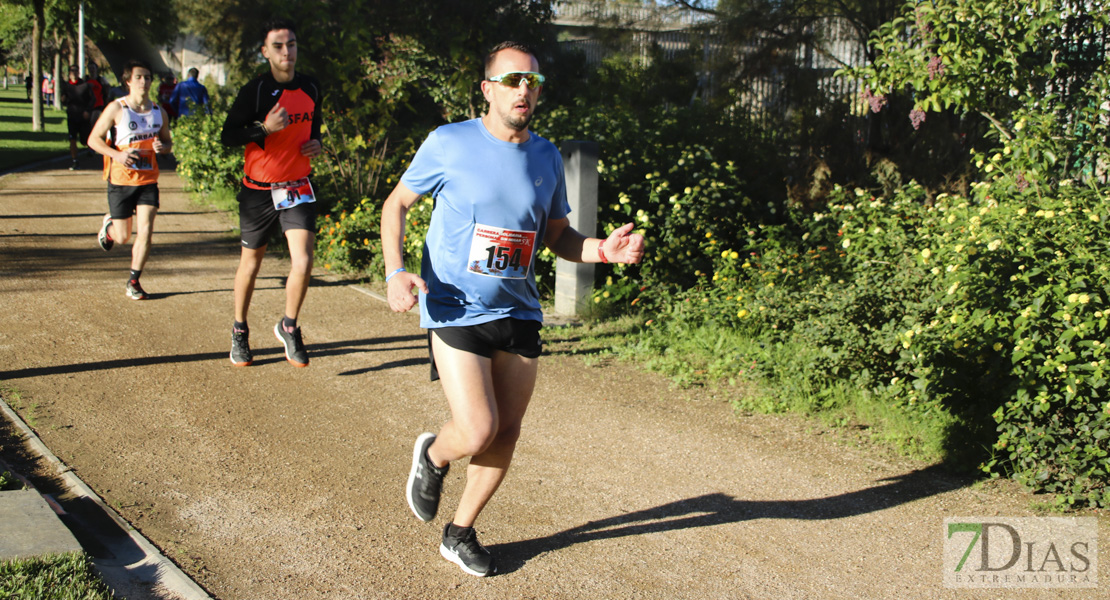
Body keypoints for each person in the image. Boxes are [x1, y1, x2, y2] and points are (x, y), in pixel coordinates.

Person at [381, 41, 645, 577]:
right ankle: (434, 454)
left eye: (534, 82)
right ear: (488, 89)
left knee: (506, 432)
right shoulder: (449, 142)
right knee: (477, 428)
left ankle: (460, 533)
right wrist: (394, 271)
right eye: (514, 79)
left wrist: (601, 250)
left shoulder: (546, 155)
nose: (525, 89)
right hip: (455, 307)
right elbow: (396, 205)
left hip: (519, 310)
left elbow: (557, 236)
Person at [220, 18, 323, 367]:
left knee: (304, 261)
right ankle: (239, 330)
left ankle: (289, 326)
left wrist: (316, 144)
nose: (286, 51)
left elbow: (314, 126)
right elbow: (228, 136)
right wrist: (264, 127)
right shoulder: (257, 91)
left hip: (296, 186)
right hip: (259, 192)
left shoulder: (311, 86)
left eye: (291, 44)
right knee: (251, 263)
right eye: (278, 46)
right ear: (265, 52)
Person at [87, 59, 173, 300]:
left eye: (147, 77)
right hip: (121, 180)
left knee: (145, 231)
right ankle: (110, 228)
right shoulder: (117, 109)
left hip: (148, 181)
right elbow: (93, 139)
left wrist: (162, 146)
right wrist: (117, 154)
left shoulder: (159, 112)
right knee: (124, 237)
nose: (144, 82)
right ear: (128, 81)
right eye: (138, 77)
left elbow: (168, 143)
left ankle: (134, 281)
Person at [61, 66, 92, 171]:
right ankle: (75, 161)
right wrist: (63, 99)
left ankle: (90, 149)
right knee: (72, 139)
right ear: (69, 73)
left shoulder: (85, 85)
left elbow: (92, 99)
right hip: (72, 115)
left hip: (83, 116)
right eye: (72, 71)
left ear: (79, 72)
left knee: (84, 140)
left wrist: (88, 110)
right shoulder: (66, 86)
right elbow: (64, 100)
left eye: (76, 71)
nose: (74, 73)